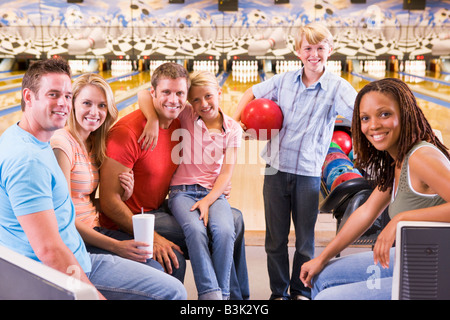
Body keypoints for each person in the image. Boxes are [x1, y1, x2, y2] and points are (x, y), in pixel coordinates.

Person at [0, 58, 186, 300]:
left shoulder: (30, 138)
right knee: (171, 290)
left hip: (78, 254)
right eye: (53, 94)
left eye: (67, 96)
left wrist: (121, 195)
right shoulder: (31, 159)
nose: (63, 104)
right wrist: (91, 295)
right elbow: (49, 249)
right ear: (28, 96)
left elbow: (64, 206)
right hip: (57, 272)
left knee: (169, 278)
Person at [99, 62, 249, 299]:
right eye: (166, 92)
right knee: (218, 228)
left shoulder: (180, 120)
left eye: (180, 93)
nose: (174, 100)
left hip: (160, 208)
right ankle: (216, 293)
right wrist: (154, 238)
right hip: (135, 219)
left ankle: (234, 298)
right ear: (154, 93)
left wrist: (215, 189)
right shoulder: (129, 132)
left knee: (234, 220)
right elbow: (107, 202)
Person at [233, 22, 357, 300]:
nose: (314, 54)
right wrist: (237, 121)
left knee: (304, 242)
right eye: (308, 48)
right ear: (298, 52)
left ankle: (300, 291)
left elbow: (361, 107)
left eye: (320, 48)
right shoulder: (283, 81)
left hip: (309, 173)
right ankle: (278, 292)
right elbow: (251, 93)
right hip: (276, 169)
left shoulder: (338, 87)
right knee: (274, 240)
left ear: (330, 50)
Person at [300, 78, 450, 299]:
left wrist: (401, 219)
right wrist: (321, 258)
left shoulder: (421, 157)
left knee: (327, 298)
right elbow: (366, 212)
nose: (373, 126)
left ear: (405, 114)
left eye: (384, 114)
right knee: (320, 277)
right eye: (365, 118)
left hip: (436, 274)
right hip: (414, 260)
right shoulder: (397, 161)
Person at [138, 70, 242, 300]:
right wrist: (153, 120)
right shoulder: (186, 115)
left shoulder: (233, 129)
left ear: (219, 93)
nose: (202, 104)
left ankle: (222, 295)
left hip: (213, 194)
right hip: (181, 193)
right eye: (195, 99)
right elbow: (143, 94)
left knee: (225, 231)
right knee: (195, 231)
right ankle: (209, 293)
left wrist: (207, 200)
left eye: (207, 96)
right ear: (189, 103)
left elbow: (226, 173)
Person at [50, 73, 164, 271]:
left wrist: (124, 195)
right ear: (72, 104)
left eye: (102, 105)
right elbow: (63, 216)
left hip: (95, 229)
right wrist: (117, 247)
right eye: (87, 103)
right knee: (154, 268)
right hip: (76, 241)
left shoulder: (93, 144)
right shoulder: (61, 145)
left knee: (160, 261)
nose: (95, 112)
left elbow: (84, 201)